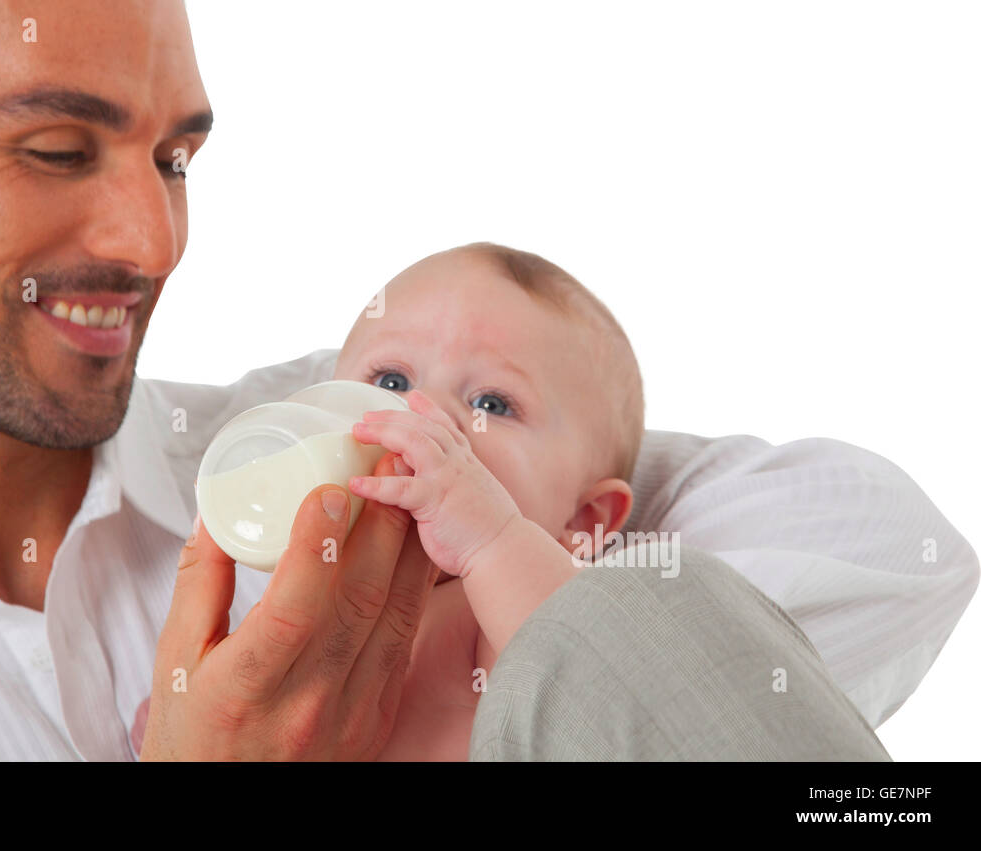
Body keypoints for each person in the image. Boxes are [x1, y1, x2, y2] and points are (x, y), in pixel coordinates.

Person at [0, 0, 974, 761]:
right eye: (58, 148)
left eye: (174, 156)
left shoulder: (328, 430)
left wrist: (485, 623)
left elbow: (880, 544)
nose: (153, 237)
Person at [327, 241, 888, 760]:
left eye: (492, 403)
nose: (425, 412)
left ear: (583, 521)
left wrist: (489, 540)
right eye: (392, 381)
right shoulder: (301, 580)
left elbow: (588, 655)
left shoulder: (485, 611)